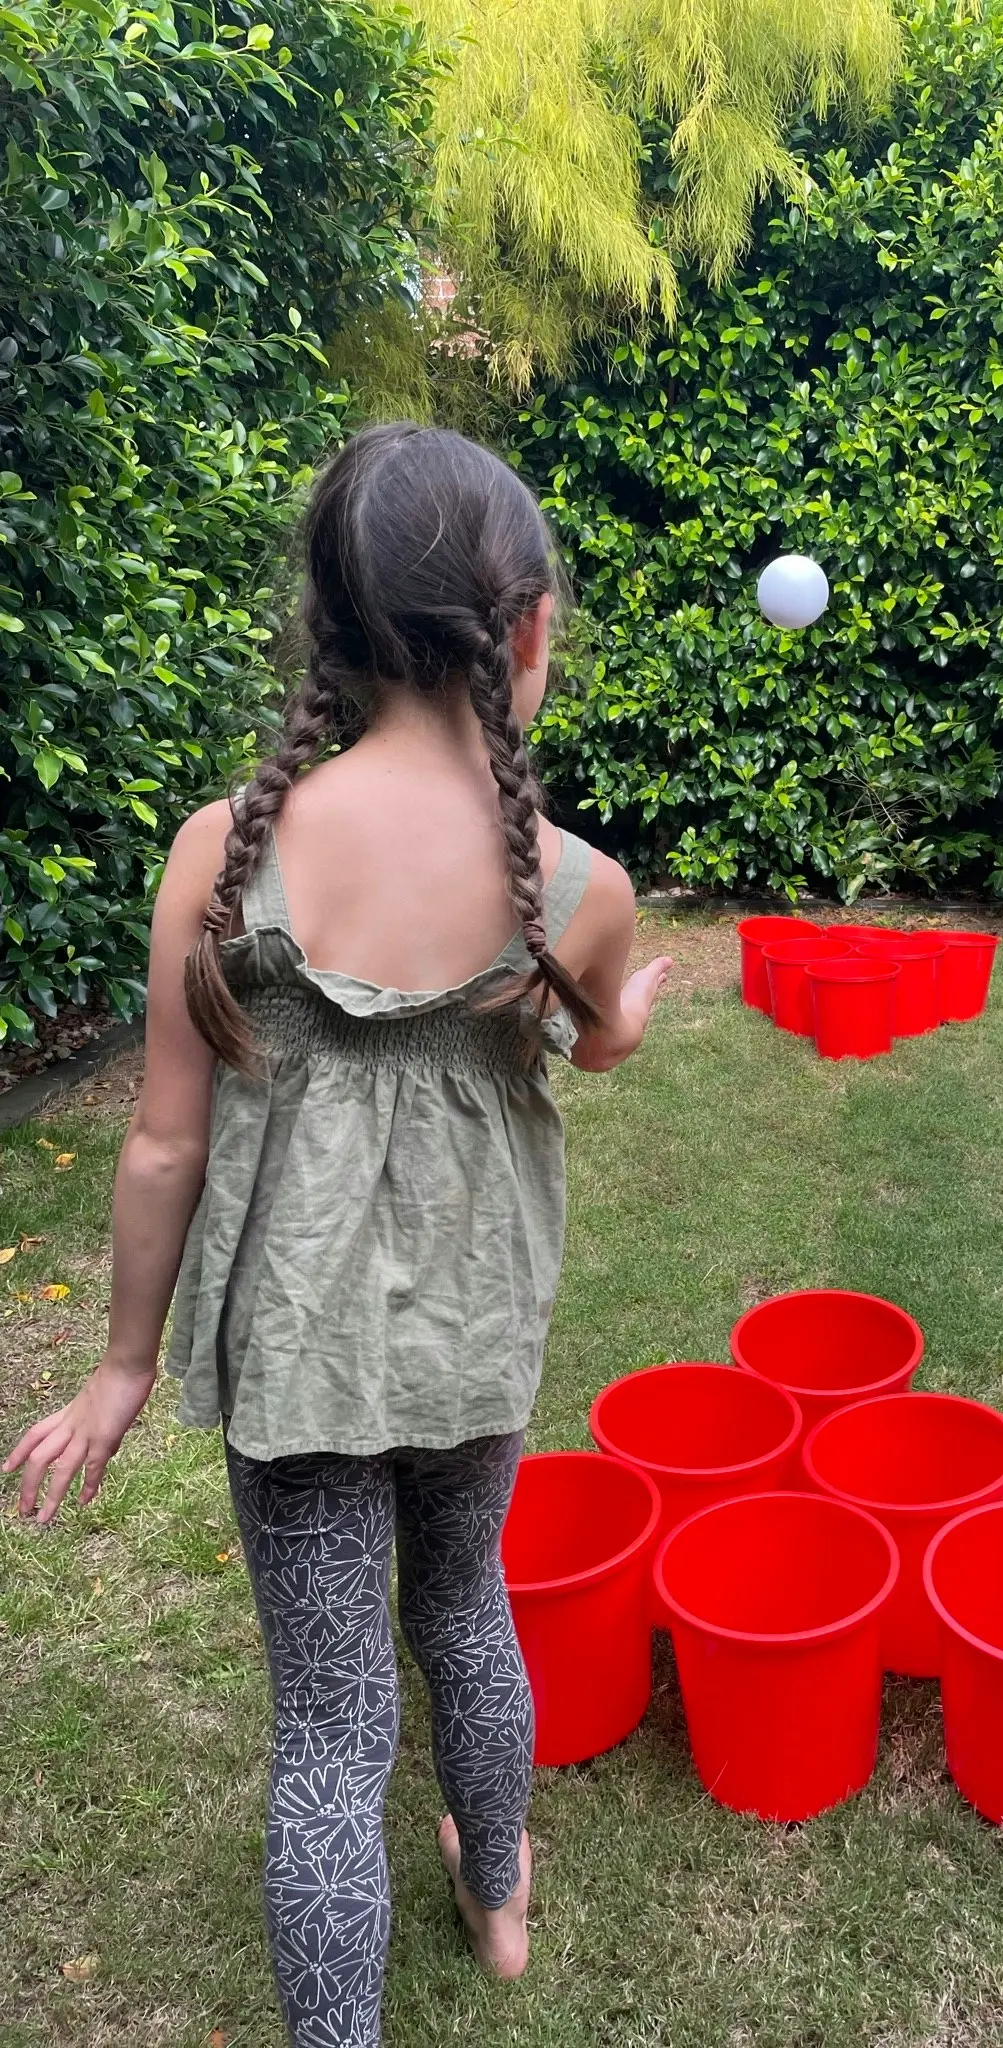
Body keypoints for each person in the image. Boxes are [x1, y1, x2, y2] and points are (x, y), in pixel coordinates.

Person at [3, 423, 673, 2045]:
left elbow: (165, 1137)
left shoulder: (216, 859)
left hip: (293, 1357)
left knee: (327, 1726)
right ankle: (495, 1898)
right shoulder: (580, 885)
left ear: (331, 624)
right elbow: (585, 1042)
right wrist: (624, 1025)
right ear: (524, 629)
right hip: (470, 1338)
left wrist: (121, 1365)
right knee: (465, 1606)